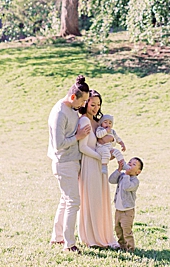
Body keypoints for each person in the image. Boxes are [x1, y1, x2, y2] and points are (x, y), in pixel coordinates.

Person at [47, 75, 92, 253]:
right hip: (64, 162)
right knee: (73, 202)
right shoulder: (59, 113)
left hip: (72, 161)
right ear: (73, 97)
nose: (83, 105)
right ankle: (69, 244)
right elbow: (58, 144)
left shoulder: (71, 109)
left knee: (65, 201)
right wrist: (78, 137)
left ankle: (57, 237)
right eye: (83, 101)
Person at [76, 90, 118, 249]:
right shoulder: (84, 121)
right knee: (92, 200)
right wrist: (100, 157)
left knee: (101, 200)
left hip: (101, 164)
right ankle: (92, 238)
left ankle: (105, 235)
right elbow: (83, 147)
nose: (95, 108)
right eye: (92, 104)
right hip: (90, 163)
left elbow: (105, 140)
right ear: (85, 103)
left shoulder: (99, 122)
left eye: (98, 105)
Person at [109, 157, 143, 251]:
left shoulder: (134, 181)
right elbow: (111, 180)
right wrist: (119, 170)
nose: (130, 165)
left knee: (126, 231)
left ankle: (130, 248)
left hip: (127, 211)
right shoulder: (122, 176)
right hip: (118, 210)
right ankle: (122, 246)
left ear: (138, 172)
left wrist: (127, 175)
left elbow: (126, 187)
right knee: (118, 230)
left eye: (134, 165)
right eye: (129, 163)